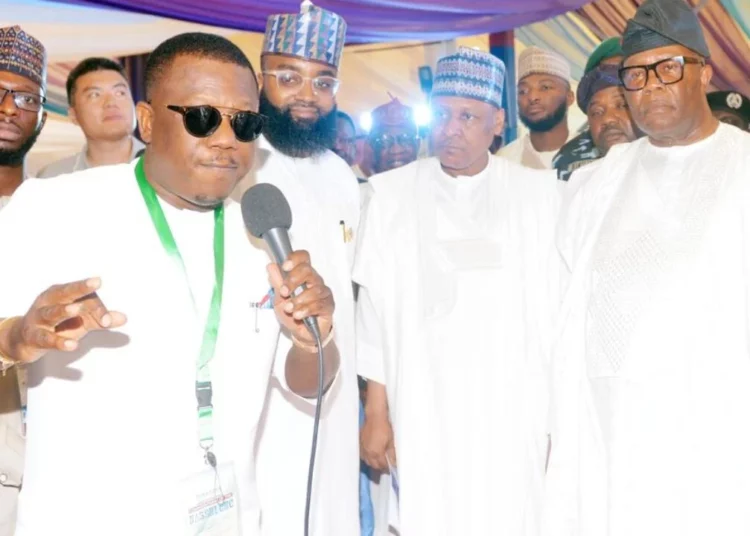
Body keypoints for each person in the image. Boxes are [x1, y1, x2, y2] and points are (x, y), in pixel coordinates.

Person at [0, 31, 340, 536]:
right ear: (149, 120)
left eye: (244, 123)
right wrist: (17, 339)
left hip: (227, 518)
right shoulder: (51, 206)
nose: (226, 138)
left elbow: (307, 384)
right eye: (202, 118)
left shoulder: (265, 235)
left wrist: (314, 336)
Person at [543, 0, 750, 534]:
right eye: (637, 74)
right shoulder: (595, 186)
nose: (652, 85)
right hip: (613, 442)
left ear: (704, 72)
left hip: (720, 440)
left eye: (668, 68)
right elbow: (564, 319)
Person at [357, 46, 561, 536]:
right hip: (423, 404)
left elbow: (557, 314)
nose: (451, 128)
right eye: (442, 114)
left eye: (468, 116)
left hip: (515, 407)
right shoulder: (389, 195)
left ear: (497, 123)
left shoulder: (541, 196)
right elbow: (375, 313)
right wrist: (377, 414)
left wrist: (558, 419)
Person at [231, 2, 360, 535]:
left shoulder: (342, 176)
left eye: (323, 81)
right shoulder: (237, 163)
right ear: (261, 80)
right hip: (261, 384)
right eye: (288, 78)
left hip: (333, 380)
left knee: (329, 508)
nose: (307, 95)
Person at [0, 24, 46, 536]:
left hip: (40, 467)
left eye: (25, 97)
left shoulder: (56, 212)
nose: (10, 108)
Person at [37, 57, 143, 178]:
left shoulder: (166, 167)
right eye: (94, 95)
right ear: (74, 115)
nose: (111, 102)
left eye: (120, 93)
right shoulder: (52, 178)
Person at [553, 37, 640, 181]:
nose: (608, 118)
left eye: (621, 105)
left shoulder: (670, 148)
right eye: (597, 112)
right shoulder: (569, 161)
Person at [498, 46, 573, 169]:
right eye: (523, 91)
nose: (532, 97)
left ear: (569, 97)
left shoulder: (592, 155)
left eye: (545, 87)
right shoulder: (505, 161)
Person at [367, 97, 419, 175]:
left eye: (405, 138)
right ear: (371, 149)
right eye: (385, 141)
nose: (396, 150)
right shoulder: (358, 187)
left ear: (418, 144)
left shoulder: (435, 185)